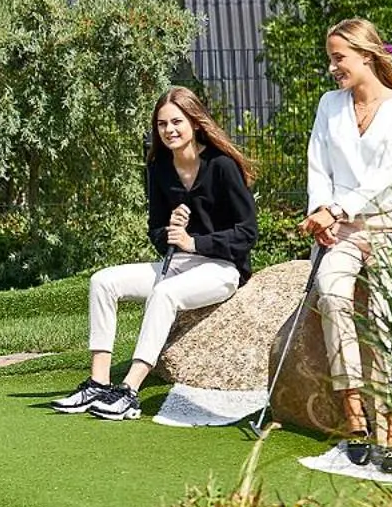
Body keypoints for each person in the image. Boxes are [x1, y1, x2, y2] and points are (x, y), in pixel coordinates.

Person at [54, 86, 259, 421]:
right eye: (162, 124)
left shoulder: (222, 166)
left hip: (222, 268)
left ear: (195, 122)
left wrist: (195, 243)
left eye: (176, 121)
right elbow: (156, 233)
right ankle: (99, 382)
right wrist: (170, 232)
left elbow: (247, 233)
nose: (169, 130)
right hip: (177, 264)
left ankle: (130, 391)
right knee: (103, 281)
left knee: (164, 293)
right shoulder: (160, 168)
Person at [302, 17, 392, 471]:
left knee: (384, 314)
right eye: (330, 59)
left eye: (339, 58)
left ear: (367, 55)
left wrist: (337, 209)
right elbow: (318, 167)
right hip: (341, 230)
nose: (333, 67)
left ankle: (391, 425)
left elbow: (391, 171)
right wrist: (321, 214)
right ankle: (355, 415)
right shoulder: (328, 105)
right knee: (332, 295)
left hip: (391, 223)